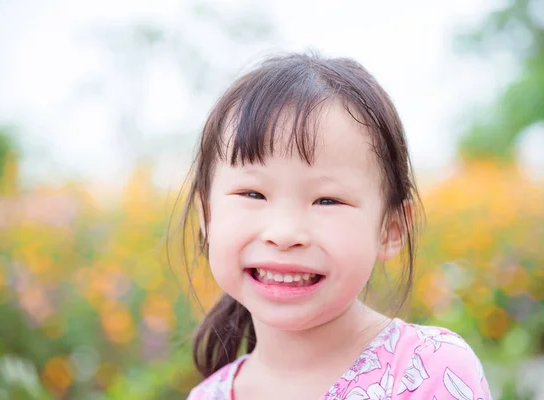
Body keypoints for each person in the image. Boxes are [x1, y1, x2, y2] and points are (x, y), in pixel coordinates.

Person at [181, 53, 493, 399]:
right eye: (252, 193)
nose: (284, 234)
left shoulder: (428, 370)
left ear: (391, 230)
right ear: (206, 215)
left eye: (327, 200)